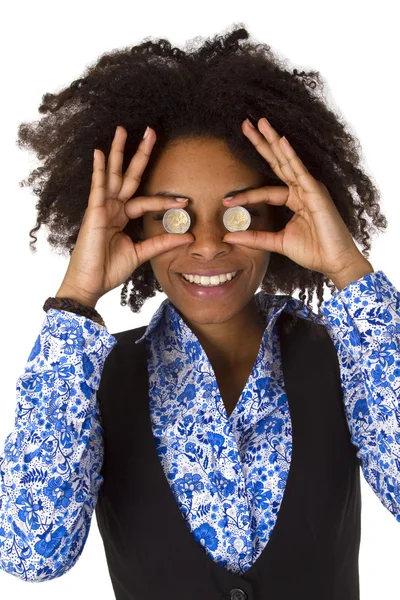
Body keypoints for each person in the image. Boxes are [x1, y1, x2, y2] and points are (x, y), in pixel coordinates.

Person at [0, 24, 399, 599]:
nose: (208, 245)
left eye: (237, 213)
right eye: (173, 216)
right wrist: (77, 299)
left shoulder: (347, 353)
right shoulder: (90, 380)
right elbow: (29, 551)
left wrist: (350, 272)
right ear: (131, 224)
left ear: (279, 215)